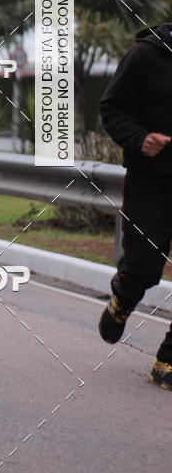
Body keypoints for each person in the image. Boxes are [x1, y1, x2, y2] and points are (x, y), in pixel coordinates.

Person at [99, 22, 172, 391]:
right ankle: (123, 300)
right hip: (152, 180)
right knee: (143, 268)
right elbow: (111, 107)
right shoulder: (147, 55)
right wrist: (139, 138)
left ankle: (167, 360)